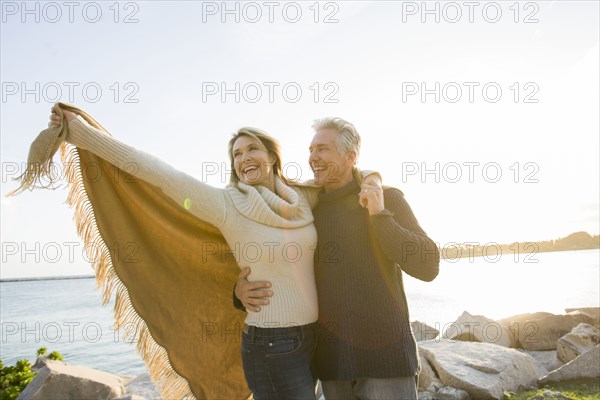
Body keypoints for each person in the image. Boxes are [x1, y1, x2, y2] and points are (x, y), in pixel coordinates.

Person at [48, 107, 381, 400]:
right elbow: (158, 173)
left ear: (272, 157)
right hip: (270, 345)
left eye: (252, 149)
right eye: (236, 154)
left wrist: (374, 178)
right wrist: (80, 132)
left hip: (312, 339)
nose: (244, 158)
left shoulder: (303, 199)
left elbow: (347, 175)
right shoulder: (226, 204)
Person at [235, 117, 440, 400]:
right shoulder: (307, 210)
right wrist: (239, 292)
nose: (312, 158)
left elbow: (428, 267)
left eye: (322, 149)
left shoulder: (387, 198)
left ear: (350, 156)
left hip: (387, 364)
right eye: (310, 150)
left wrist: (380, 216)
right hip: (331, 367)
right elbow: (274, 263)